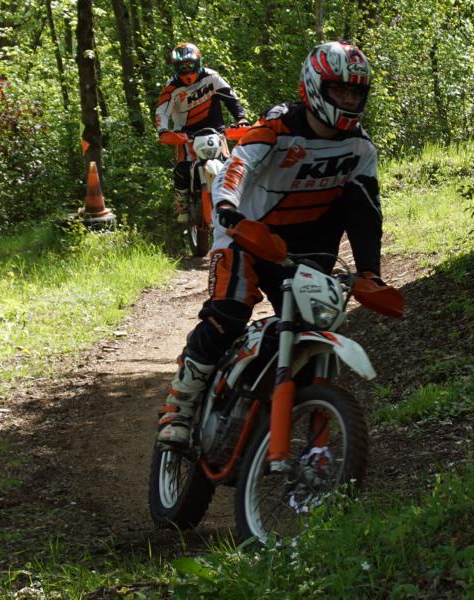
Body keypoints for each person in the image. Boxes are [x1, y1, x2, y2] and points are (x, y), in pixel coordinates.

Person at [157, 41, 385, 448]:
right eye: (339, 90)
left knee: (311, 330)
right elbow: (239, 165)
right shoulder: (278, 126)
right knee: (227, 314)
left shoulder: (360, 147)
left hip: (306, 248)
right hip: (247, 231)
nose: (348, 100)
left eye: (355, 93)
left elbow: (365, 212)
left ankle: (273, 420)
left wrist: (370, 273)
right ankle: (181, 403)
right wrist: (227, 208)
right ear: (314, 87)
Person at [156, 42, 249, 224]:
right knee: (182, 169)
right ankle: (182, 203)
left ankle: (237, 200)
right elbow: (162, 111)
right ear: (175, 67)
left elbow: (231, 98)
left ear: (198, 62)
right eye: (182, 67)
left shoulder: (212, 77)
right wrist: (163, 130)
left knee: (228, 165)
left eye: (190, 65)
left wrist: (241, 119)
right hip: (185, 134)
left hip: (216, 130)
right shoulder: (171, 86)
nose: (186, 70)